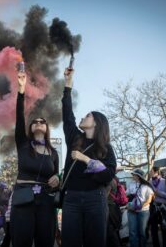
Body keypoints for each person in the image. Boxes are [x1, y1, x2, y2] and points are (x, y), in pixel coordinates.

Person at [61, 68, 117, 247]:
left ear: (96, 122)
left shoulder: (106, 148)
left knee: (95, 242)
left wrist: (85, 160)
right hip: (72, 199)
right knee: (70, 242)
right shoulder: (74, 138)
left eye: (88, 115)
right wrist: (68, 84)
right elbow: (67, 114)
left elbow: (108, 175)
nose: (83, 117)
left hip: (96, 198)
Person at [10, 70, 60, 247]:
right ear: (31, 127)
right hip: (24, 197)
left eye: (42, 122)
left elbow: (57, 176)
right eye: (35, 121)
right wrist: (21, 90)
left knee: (45, 240)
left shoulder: (53, 153)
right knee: (22, 240)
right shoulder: (23, 144)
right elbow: (19, 116)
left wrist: (57, 179)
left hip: (46, 200)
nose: (39, 123)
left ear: (47, 128)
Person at [126, 168, 154, 247]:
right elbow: (126, 194)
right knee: (132, 232)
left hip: (143, 211)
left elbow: (149, 199)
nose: (132, 176)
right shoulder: (131, 184)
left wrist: (140, 206)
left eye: (134, 174)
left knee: (142, 232)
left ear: (138, 176)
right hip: (131, 210)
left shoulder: (146, 185)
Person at [149, 166, 166, 247]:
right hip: (153, 207)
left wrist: (158, 193)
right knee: (153, 230)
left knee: (165, 229)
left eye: (151, 171)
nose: (150, 172)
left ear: (156, 172)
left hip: (163, 207)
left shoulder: (164, 181)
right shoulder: (150, 182)